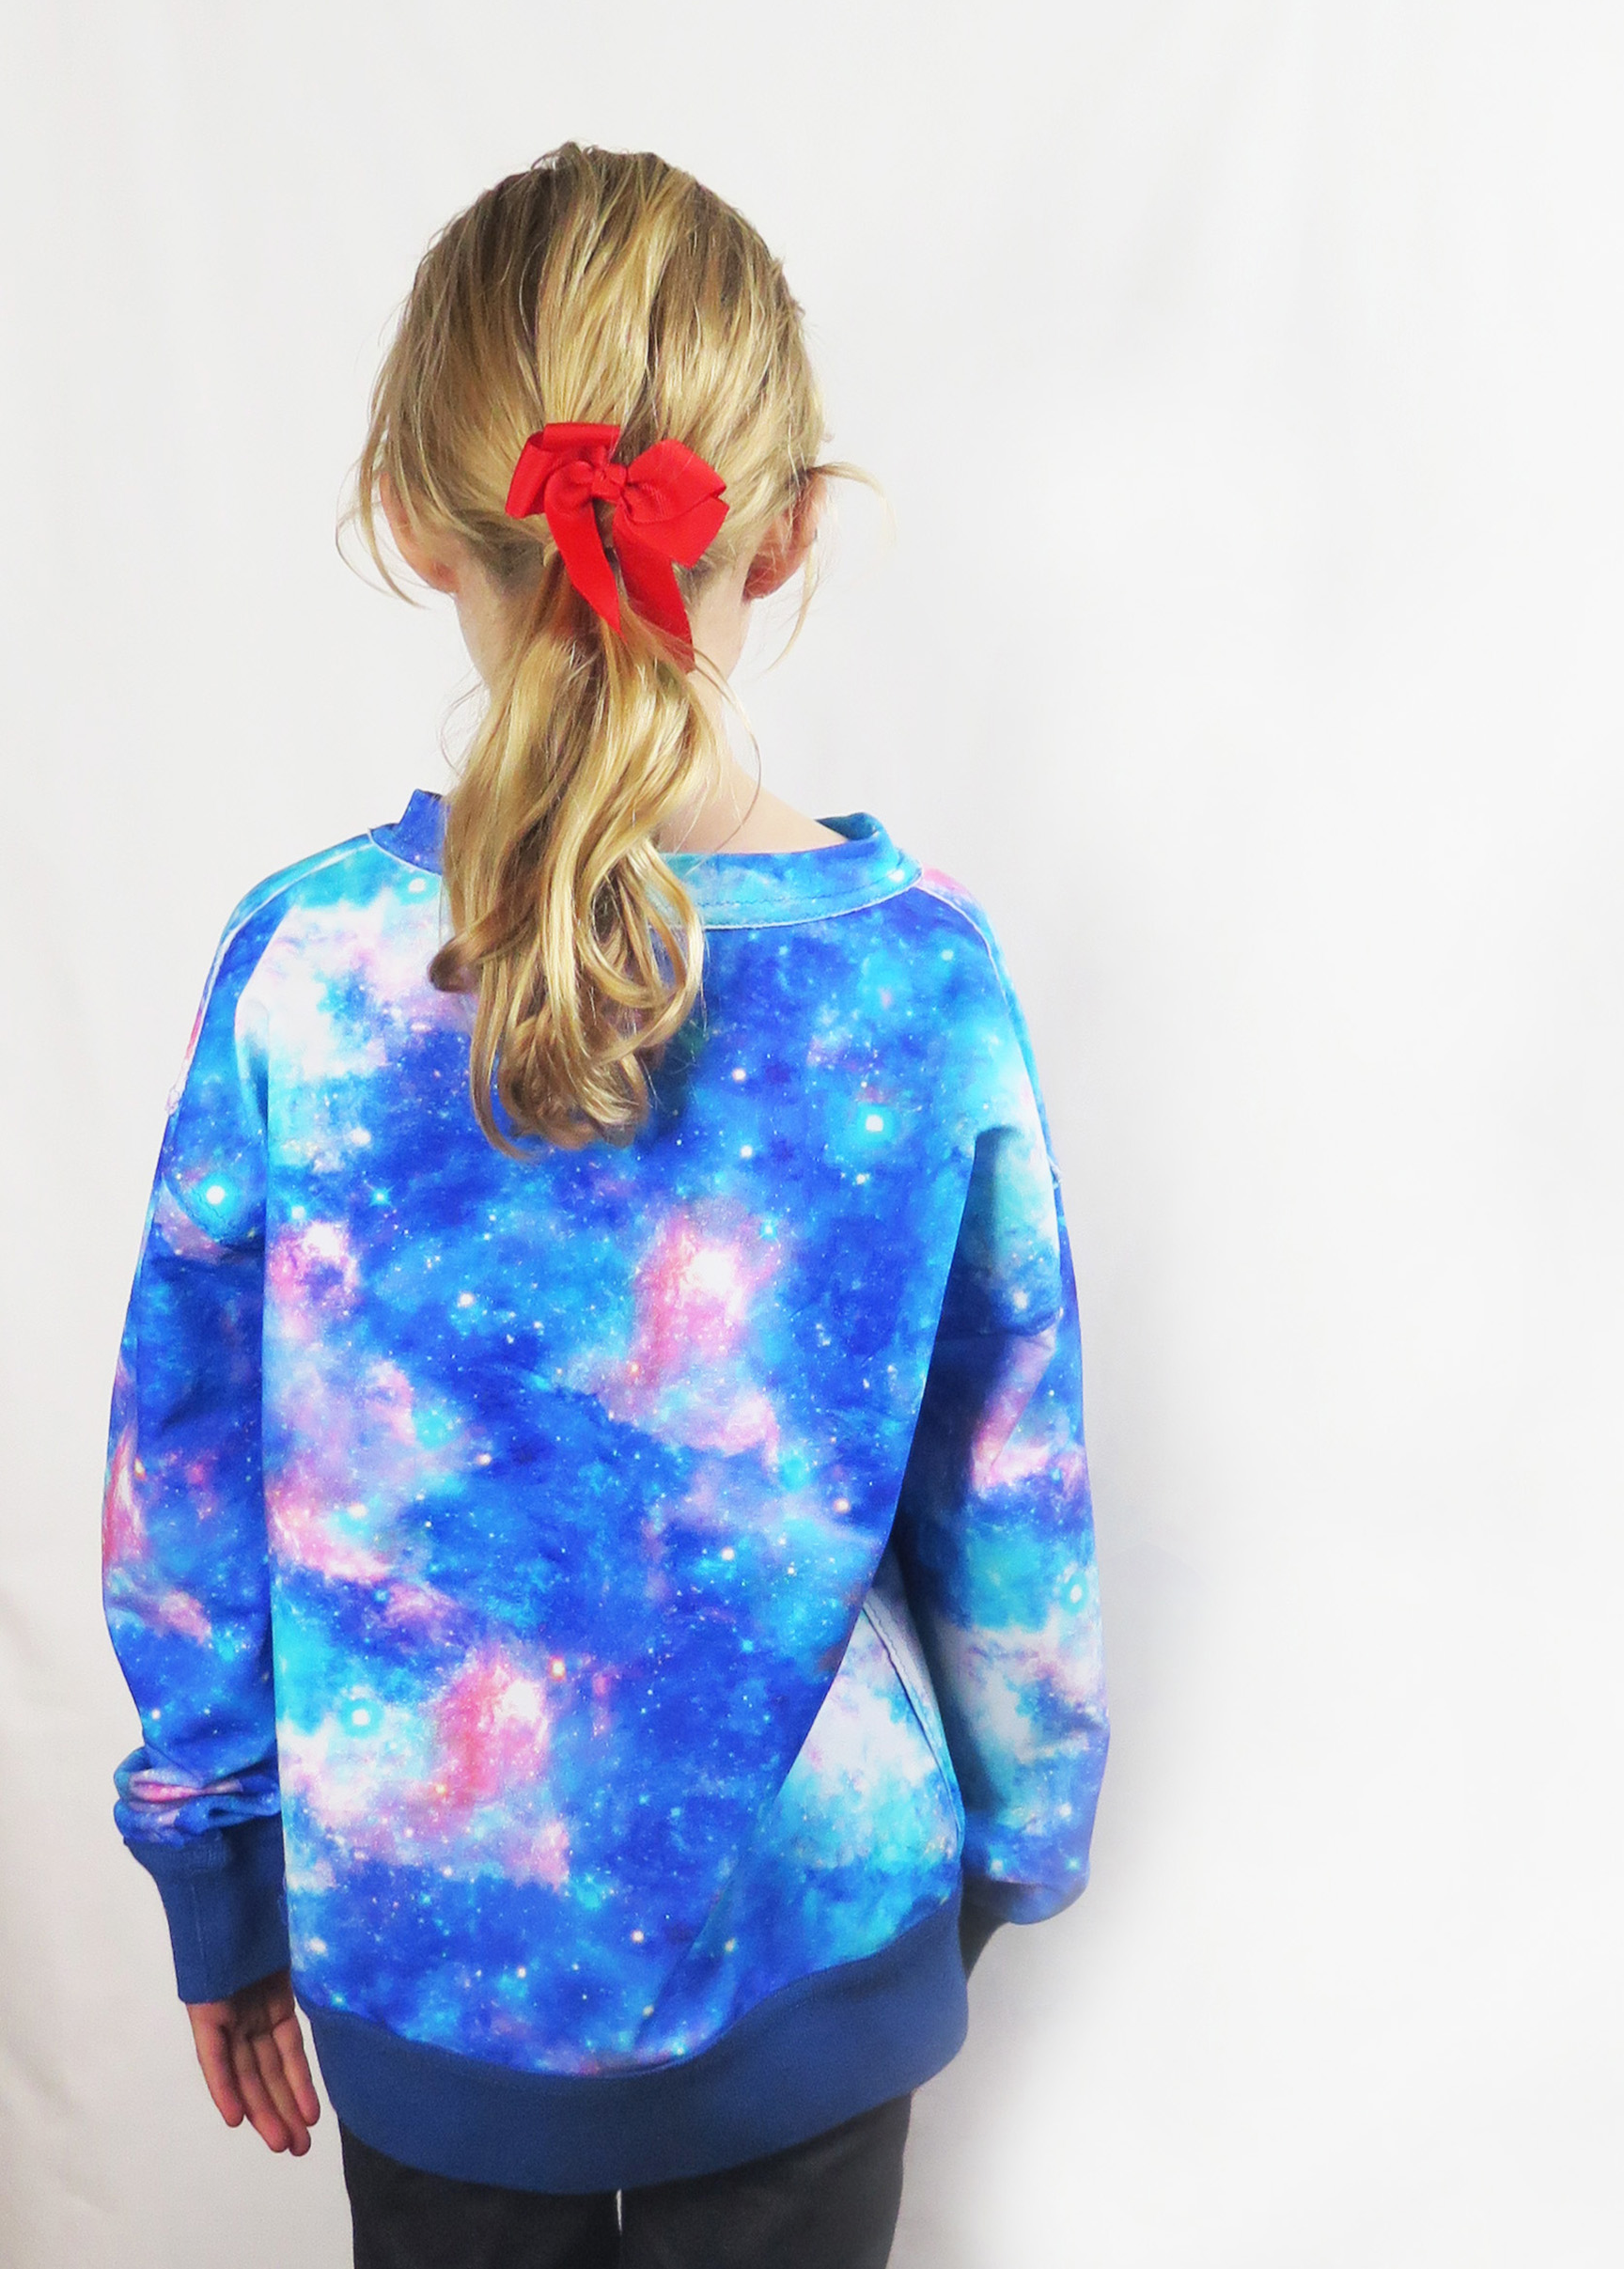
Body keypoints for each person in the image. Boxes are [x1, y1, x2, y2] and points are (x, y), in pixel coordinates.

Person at [101, 141, 1109, 2269]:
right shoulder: (920, 979)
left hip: (422, 1956)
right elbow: (1009, 1487)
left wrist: (222, 1877)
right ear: (790, 528)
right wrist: (1019, 1833)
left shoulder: (305, 970)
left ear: (410, 516)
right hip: (816, 1946)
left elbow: (184, 1475)